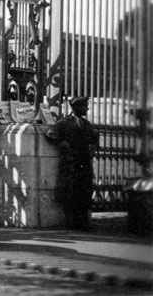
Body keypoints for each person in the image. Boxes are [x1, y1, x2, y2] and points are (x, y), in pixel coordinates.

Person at [45, 96, 100, 230]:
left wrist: (93, 149)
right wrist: (64, 144)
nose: (87, 108)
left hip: (84, 162)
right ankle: (75, 223)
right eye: (84, 106)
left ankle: (83, 223)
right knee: (73, 192)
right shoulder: (65, 123)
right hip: (72, 162)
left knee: (85, 192)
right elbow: (50, 133)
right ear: (76, 108)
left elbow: (95, 136)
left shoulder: (86, 124)